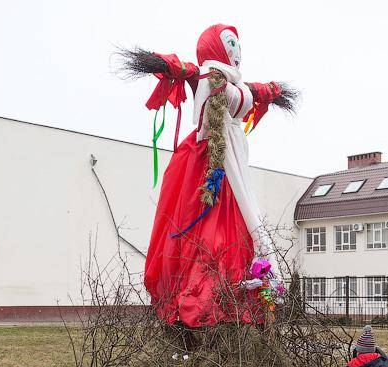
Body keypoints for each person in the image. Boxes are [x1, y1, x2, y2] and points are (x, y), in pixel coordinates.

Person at [120, 24, 296, 328]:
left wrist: (275, 92)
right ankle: (202, 303)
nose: (236, 52)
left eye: (238, 45)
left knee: (237, 231)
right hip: (206, 163)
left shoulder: (241, 87)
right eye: (230, 44)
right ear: (214, 47)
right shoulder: (204, 75)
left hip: (236, 165)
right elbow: (182, 70)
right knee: (207, 234)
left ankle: (237, 298)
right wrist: (163, 64)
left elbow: (263, 91)